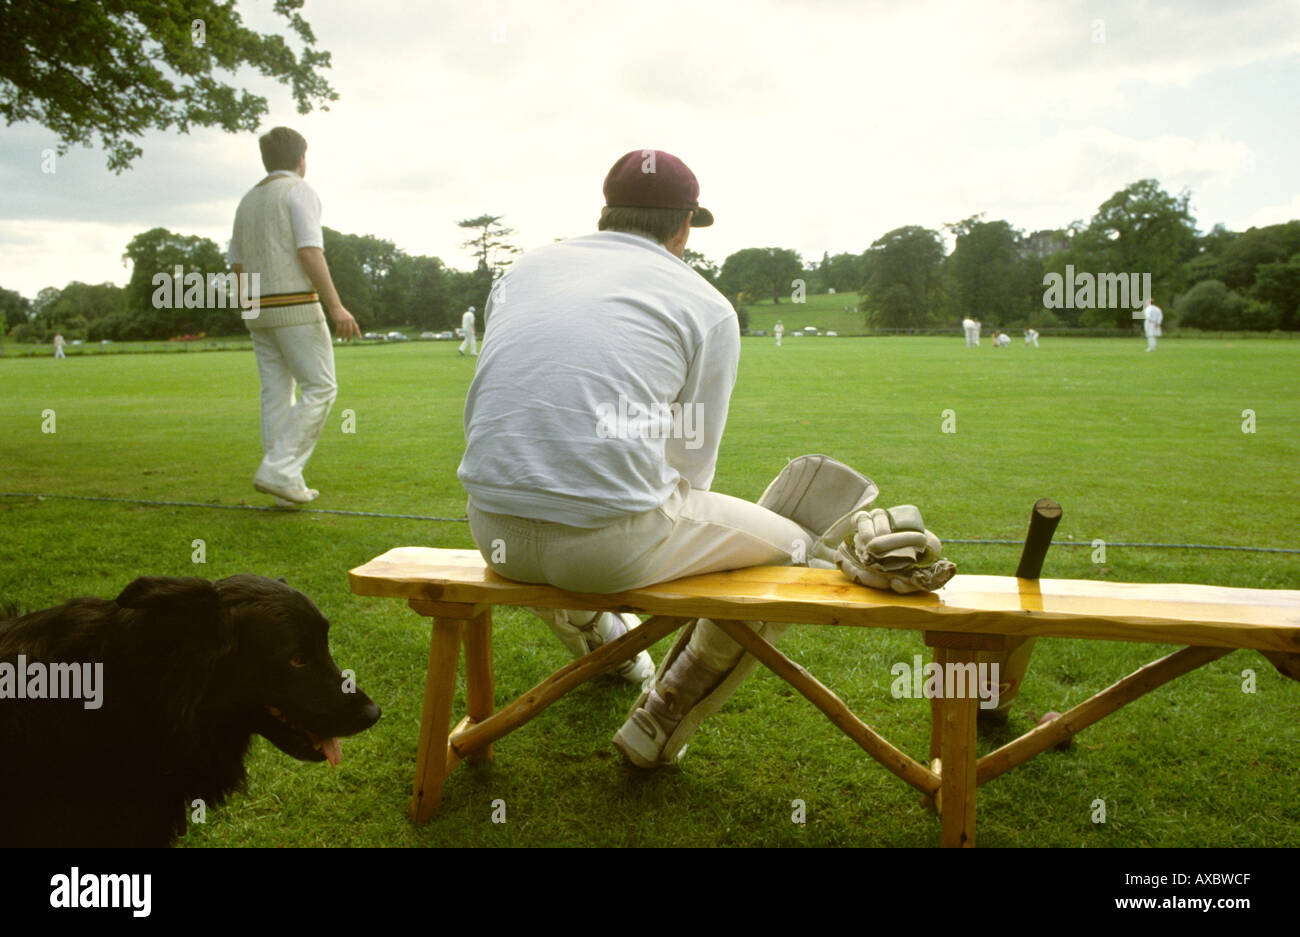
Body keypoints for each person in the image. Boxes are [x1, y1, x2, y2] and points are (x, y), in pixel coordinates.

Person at [458, 149, 866, 769]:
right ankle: (663, 713)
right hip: (607, 551)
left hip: (491, 531)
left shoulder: (521, 273)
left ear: (604, 214)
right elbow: (692, 462)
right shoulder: (704, 303)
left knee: (589, 510)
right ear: (684, 227)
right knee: (798, 543)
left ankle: (609, 642)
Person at [229, 126, 359, 507]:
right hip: (295, 304)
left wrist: (249, 308)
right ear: (301, 158)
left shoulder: (247, 200)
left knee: (275, 393)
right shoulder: (298, 190)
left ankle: (285, 484)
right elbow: (309, 252)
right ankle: (281, 470)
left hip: (258, 309)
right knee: (320, 387)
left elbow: (236, 263)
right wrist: (336, 306)